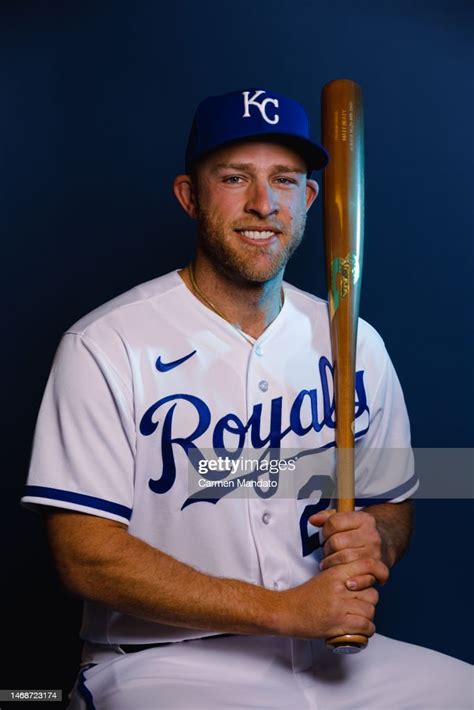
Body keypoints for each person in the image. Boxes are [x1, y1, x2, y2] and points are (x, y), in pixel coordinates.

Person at [23, 88, 472, 709]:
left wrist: (378, 540)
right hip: (164, 662)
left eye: (284, 180)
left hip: (331, 655)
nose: (263, 204)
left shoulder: (355, 341)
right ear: (189, 196)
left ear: (310, 199)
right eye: (235, 178)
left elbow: (391, 504)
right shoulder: (106, 344)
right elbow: (86, 557)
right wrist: (284, 611)